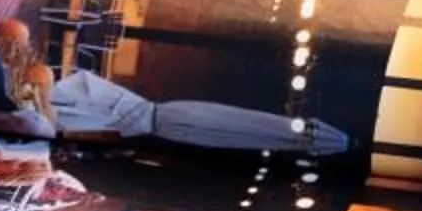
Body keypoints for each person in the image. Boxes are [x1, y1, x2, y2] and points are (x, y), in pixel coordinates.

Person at [37, 65, 352, 154]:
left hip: (169, 122)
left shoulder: (276, 134)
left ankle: (43, 98)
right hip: (171, 119)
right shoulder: (275, 128)